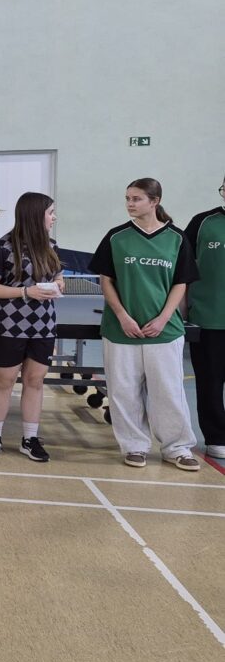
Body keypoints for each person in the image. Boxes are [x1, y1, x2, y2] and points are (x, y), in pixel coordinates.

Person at [89, 178, 200, 471]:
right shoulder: (116, 237)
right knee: (123, 392)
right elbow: (106, 281)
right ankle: (134, 446)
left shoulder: (176, 238)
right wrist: (123, 317)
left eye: (136, 198)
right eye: (127, 198)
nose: (130, 203)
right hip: (120, 331)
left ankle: (177, 447)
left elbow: (181, 283)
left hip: (165, 332)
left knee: (168, 392)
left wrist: (163, 319)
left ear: (154, 201)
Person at [0, 192, 65, 462]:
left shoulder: (52, 246)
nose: (54, 217)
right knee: (4, 381)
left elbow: (59, 278)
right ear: (35, 216)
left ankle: (30, 439)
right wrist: (26, 292)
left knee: (35, 381)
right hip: (9, 325)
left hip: (43, 326)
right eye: (50, 213)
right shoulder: (2, 248)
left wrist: (57, 286)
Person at [185, 175, 225, 460]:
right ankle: (216, 437)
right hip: (209, 318)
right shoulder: (202, 223)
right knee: (210, 382)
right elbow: (182, 267)